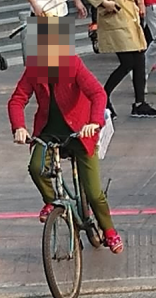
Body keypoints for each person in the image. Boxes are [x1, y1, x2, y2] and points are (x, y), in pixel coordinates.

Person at [9, 18, 123, 253]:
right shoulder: (34, 68)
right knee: (36, 168)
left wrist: (93, 122)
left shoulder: (73, 64)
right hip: (49, 132)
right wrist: (18, 127)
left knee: (93, 192)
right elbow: (17, 99)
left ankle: (109, 230)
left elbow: (98, 93)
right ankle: (51, 201)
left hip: (80, 131)